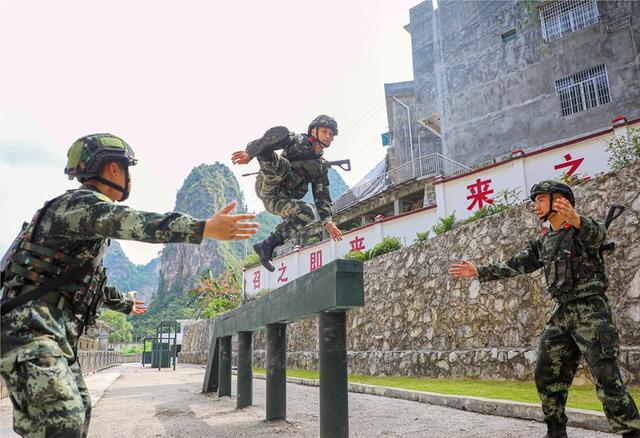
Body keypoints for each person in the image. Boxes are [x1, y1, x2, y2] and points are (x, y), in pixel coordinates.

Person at [0, 133, 259, 437]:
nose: (128, 177)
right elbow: (133, 222)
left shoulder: (81, 217)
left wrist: (123, 302)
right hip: (30, 330)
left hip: (53, 332)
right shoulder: (81, 206)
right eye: (126, 168)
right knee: (62, 421)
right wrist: (203, 228)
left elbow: (79, 283)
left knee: (76, 413)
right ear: (112, 168)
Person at [449, 180, 640, 438]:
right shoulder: (544, 241)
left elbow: (598, 236)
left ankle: (632, 432)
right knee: (546, 372)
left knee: (607, 377)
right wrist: (479, 271)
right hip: (562, 313)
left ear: (558, 199)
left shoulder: (582, 228)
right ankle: (556, 430)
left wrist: (578, 219)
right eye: (536, 201)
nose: (536, 205)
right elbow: (517, 263)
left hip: (591, 311)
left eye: (540, 199)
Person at [231, 114, 343, 272]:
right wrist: (250, 153)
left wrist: (328, 221)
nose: (328, 136)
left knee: (308, 212)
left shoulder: (320, 167)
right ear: (313, 131)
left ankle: (267, 246)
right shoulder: (297, 140)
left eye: (331, 134)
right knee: (282, 164)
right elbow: (265, 140)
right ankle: (265, 155)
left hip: (278, 201)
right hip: (268, 184)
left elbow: (322, 196)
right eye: (324, 131)